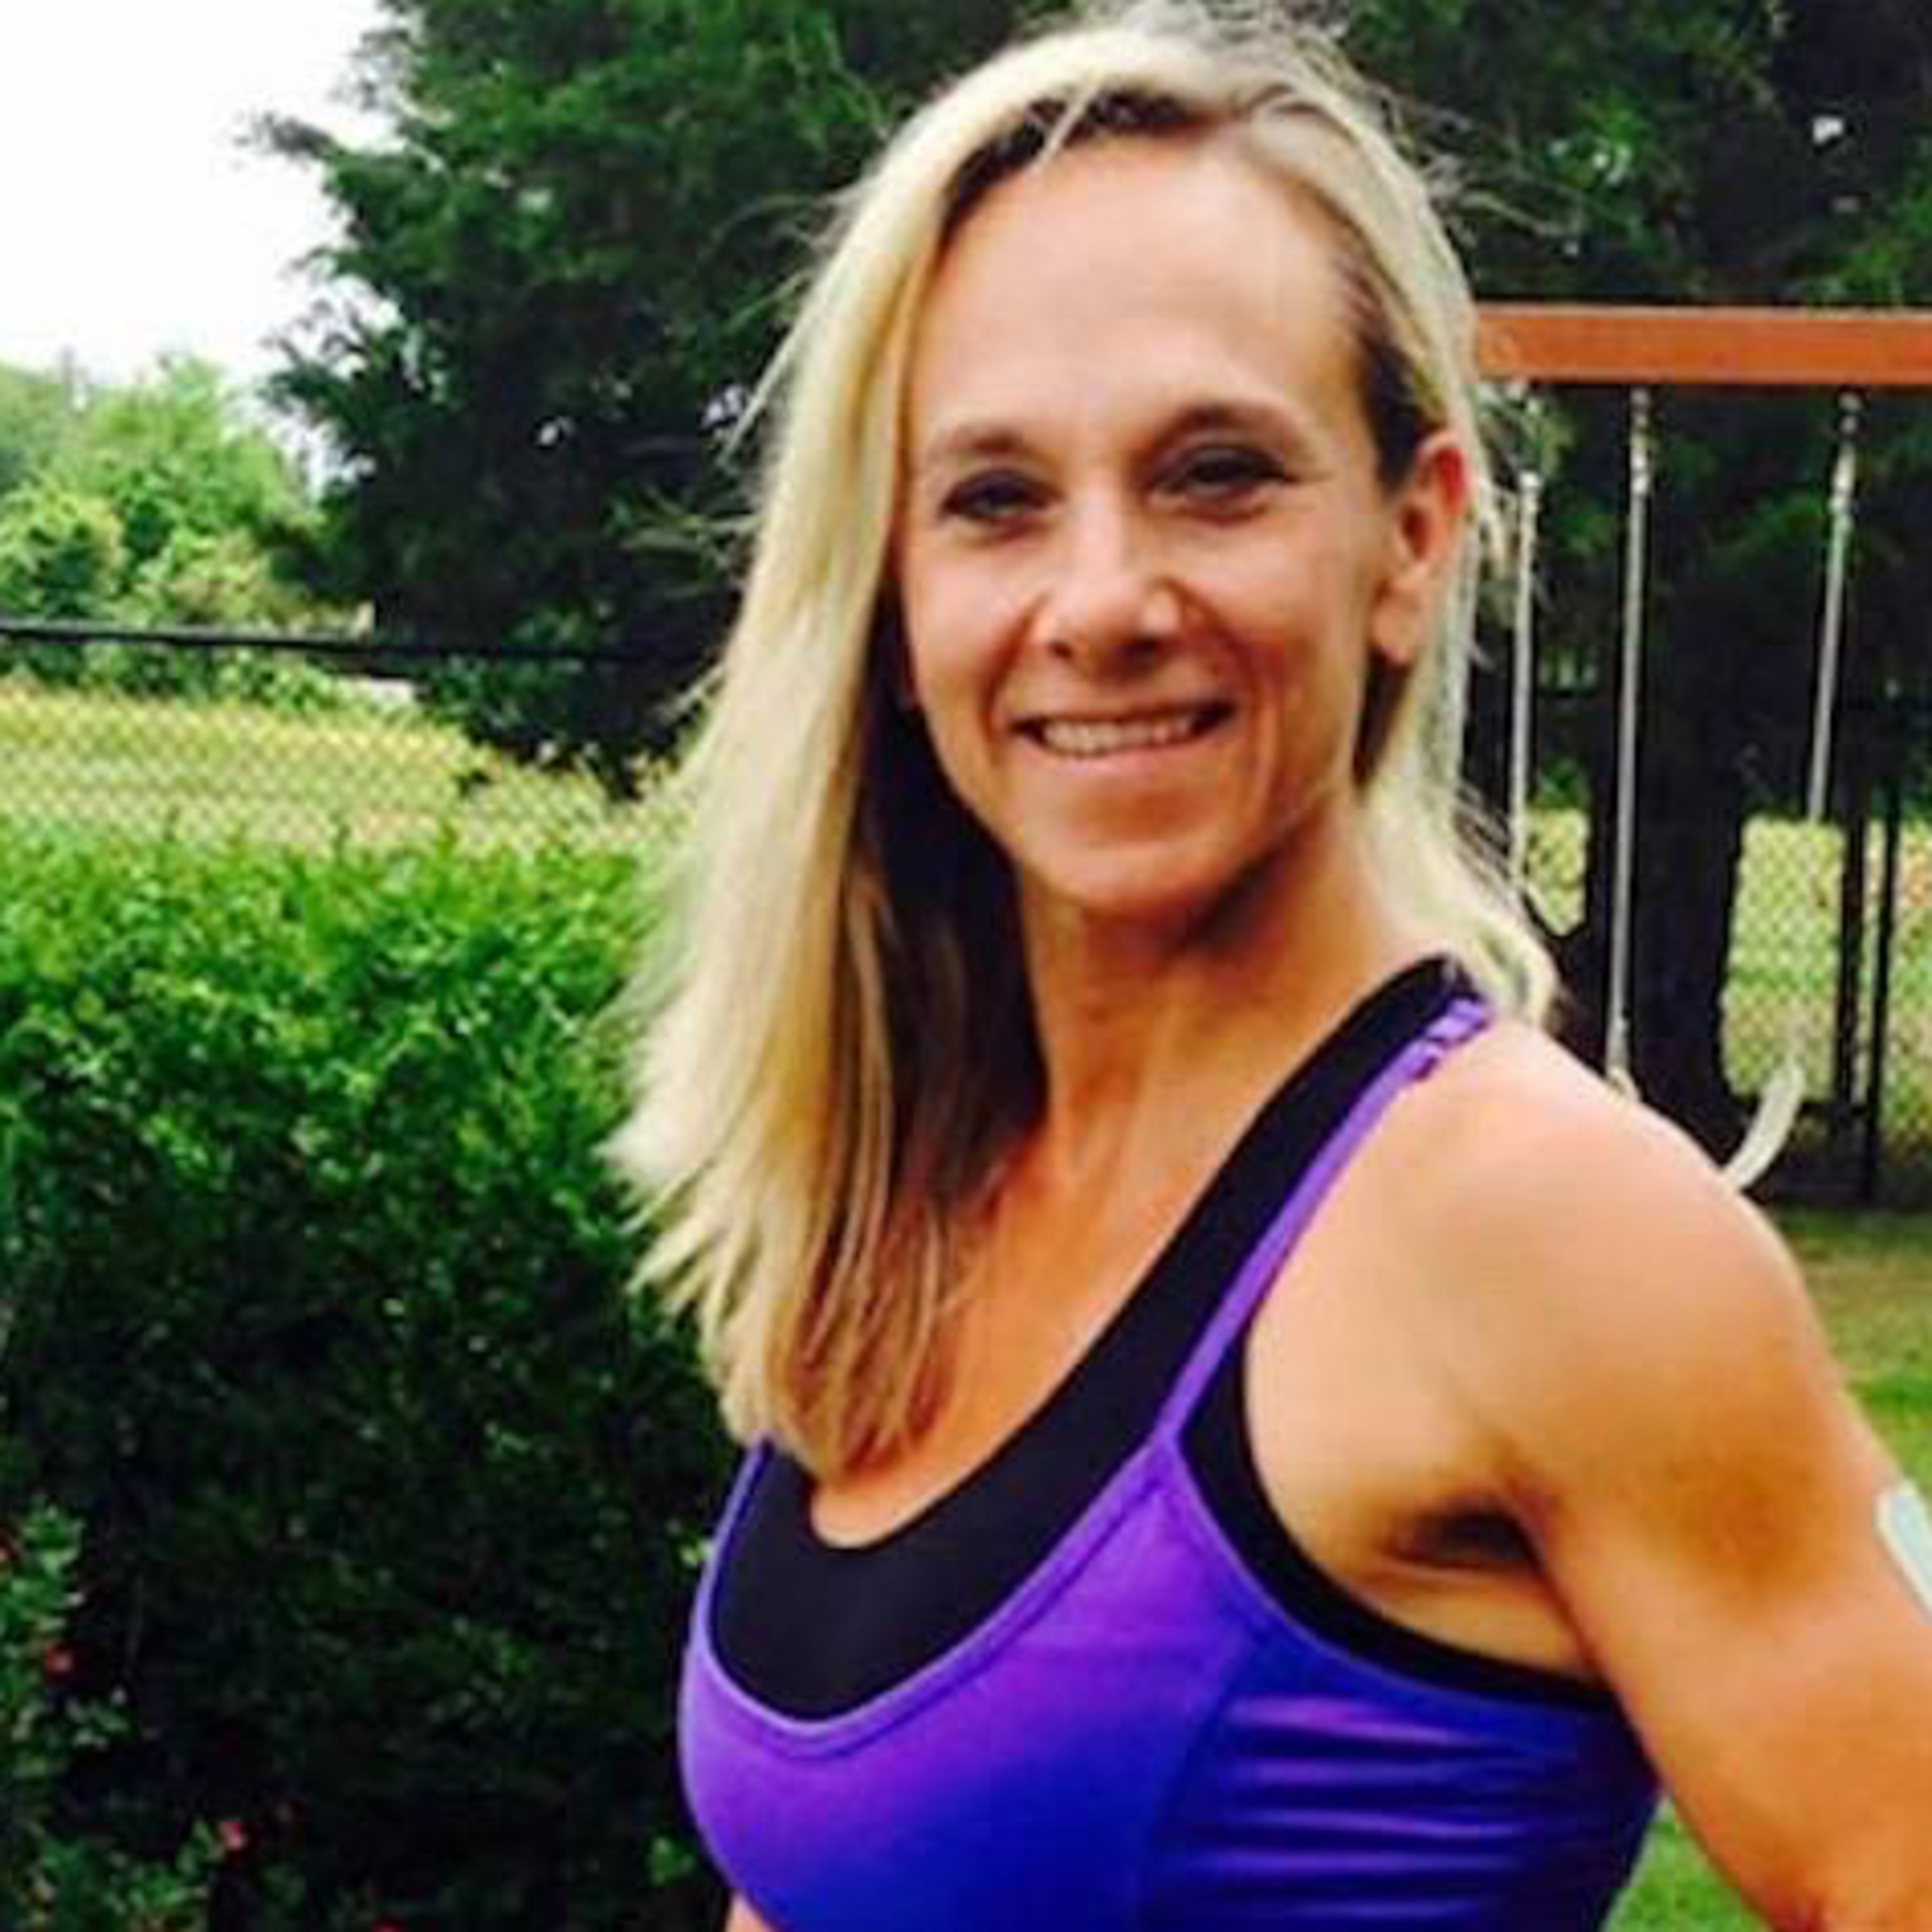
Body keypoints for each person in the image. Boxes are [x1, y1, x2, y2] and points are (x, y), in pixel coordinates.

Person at [616, 3, 1932, 1926]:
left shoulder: (1543, 1231)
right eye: (994, 500)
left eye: (1217, 473)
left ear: (1411, 538)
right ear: (893, 600)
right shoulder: (911, 1180)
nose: (1102, 601)